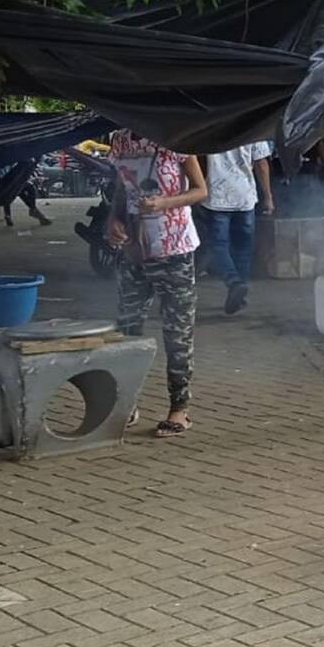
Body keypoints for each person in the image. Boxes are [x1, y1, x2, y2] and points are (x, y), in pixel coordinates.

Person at [107, 129, 208, 438]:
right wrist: (113, 219)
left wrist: (166, 202)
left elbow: (200, 190)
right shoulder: (119, 140)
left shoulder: (175, 136)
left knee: (177, 331)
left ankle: (180, 408)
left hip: (174, 248)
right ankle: (128, 404)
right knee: (127, 329)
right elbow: (122, 190)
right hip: (134, 251)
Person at [201, 140, 274, 315]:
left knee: (218, 246)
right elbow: (261, 163)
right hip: (245, 196)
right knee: (243, 248)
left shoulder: (211, 124)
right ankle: (239, 292)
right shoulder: (254, 126)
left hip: (216, 197)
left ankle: (234, 283)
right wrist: (268, 196)